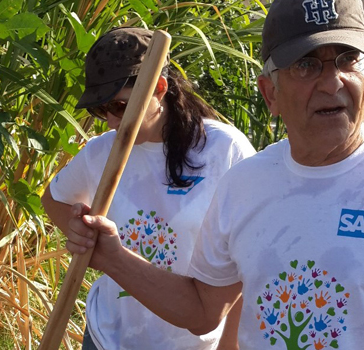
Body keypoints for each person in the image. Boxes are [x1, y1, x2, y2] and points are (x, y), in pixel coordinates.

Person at [66, 1, 364, 349]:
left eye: (348, 59)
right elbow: (202, 311)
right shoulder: (244, 184)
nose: (332, 82)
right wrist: (110, 256)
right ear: (269, 92)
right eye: (307, 65)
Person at [42, 27, 255, 350]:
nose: (111, 122)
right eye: (101, 110)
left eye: (118, 106)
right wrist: (79, 229)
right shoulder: (101, 152)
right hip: (107, 336)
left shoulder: (222, 150)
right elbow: (53, 199)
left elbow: (244, 262)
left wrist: (230, 344)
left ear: (158, 88)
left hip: (192, 342)